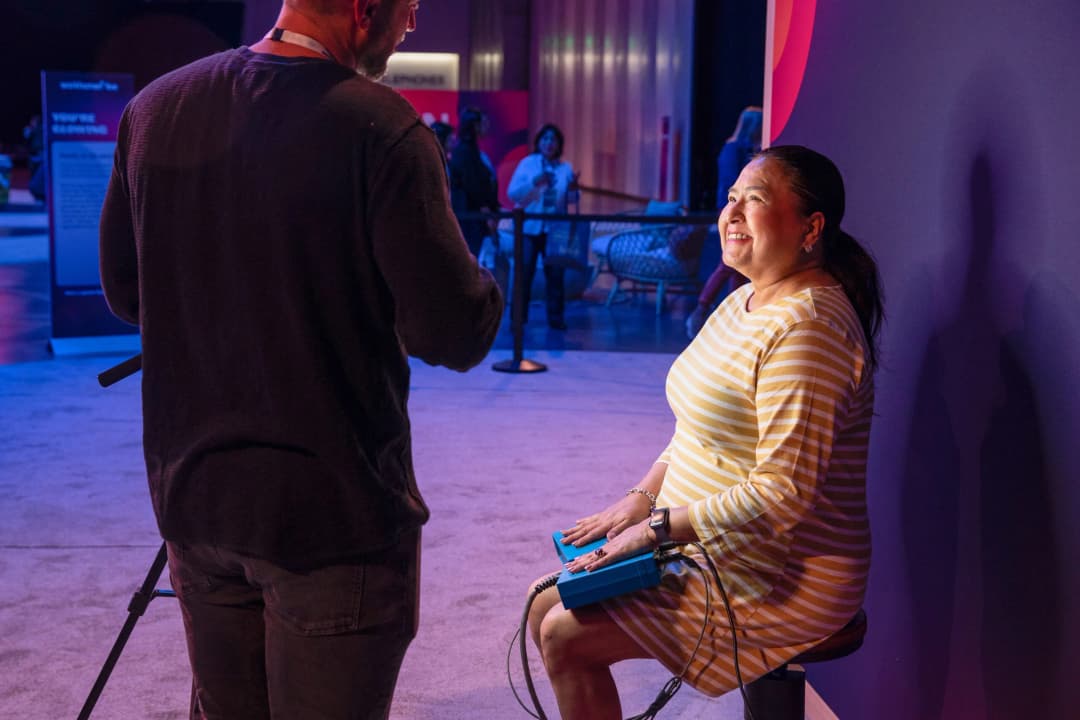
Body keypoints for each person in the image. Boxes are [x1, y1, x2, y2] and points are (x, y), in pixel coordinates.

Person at [98, 1, 503, 718]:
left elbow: (129, 296)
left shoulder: (156, 108)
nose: (411, 26)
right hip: (330, 516)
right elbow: (452, 332)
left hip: (195, 498)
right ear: (361, 10)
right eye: (407, 10)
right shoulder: (380, 127)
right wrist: (485, 283)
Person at [527, 145, 883, 719]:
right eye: (730, 198)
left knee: (565, 633)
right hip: (711, 544)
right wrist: (639, 500)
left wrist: (655, 531)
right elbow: (696, 428)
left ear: (811, 227)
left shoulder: (808, 329)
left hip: (783, 575)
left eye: (756, 200)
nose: (732, 212)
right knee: (544, 599)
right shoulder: (745, 297)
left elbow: (782, 495)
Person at [687, 106, 763, 338]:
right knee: (729, 262)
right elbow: (734, 186)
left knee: (739, 265)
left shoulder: (737, 147)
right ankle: (700, 310)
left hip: (736, 208)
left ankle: (736, 315)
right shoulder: (735, 149)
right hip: (734, 210)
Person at [506, 123, 576, 331]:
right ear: (538, 142)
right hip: (529, 226)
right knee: (524, 275)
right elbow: (513, 194)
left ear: (559, 144)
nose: (549, 143)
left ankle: (556, 318)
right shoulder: (528, 164)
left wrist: (573, 189)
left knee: (556, 275)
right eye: (545, 139)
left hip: (556, 228)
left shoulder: (566, 168)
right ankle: (518, 320)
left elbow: (571, 200)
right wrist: (534, 182)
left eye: (553, 139)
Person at [448, 107, 499, 257]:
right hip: (469, 217)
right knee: (469, 257)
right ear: (474, 125)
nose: (487, 125)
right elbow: (473, 185)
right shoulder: (465, 151)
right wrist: (486, 210)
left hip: (475, 216)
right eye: (483, 122)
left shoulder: (474, 151)